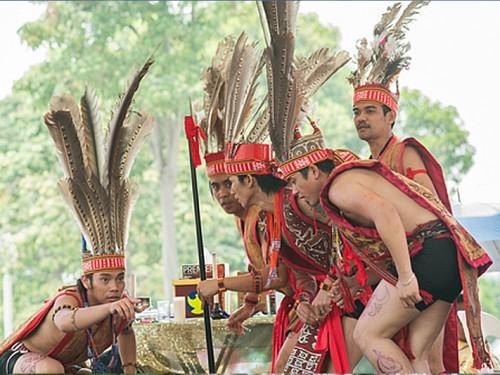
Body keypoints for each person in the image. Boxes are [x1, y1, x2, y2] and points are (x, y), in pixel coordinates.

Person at [0, 59, 154, 374]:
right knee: (50, 371)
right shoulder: (69, 298)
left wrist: (130, 367)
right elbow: (66, 323)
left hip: (63, 363)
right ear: (87, 280)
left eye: (120, 278)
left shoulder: (118, 306)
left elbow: (125, 332)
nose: (115, 286)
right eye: (106, 279)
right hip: (22, 361)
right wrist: (111, 307)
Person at [347, 2, 458, 371]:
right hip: (403, 269)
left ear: (391, 115)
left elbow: (428, 205)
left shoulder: (405, 153)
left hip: (425, 262)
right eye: (357, 112)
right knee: (415, 355)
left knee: (380, 340)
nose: (361, 118)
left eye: (370, 111)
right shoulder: (367, 167)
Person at [316, 158, 492, 373]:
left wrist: (406, 277)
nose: (295, 190)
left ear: (314, 172)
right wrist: (358, 282)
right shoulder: (356, 180)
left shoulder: (338, 187)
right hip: (449, 256)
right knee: (415, 353)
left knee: (368, 334)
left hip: (428, 253)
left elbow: (386, 212)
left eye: (294, 180)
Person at [195, 32, 297, 372]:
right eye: (215, 188)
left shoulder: (267, 210)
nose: (224, 194)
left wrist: (221, 285)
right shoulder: (245, 217)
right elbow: (264, 275)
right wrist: (249, 306)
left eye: (228, 184)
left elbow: (275, 275)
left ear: (247, 180)